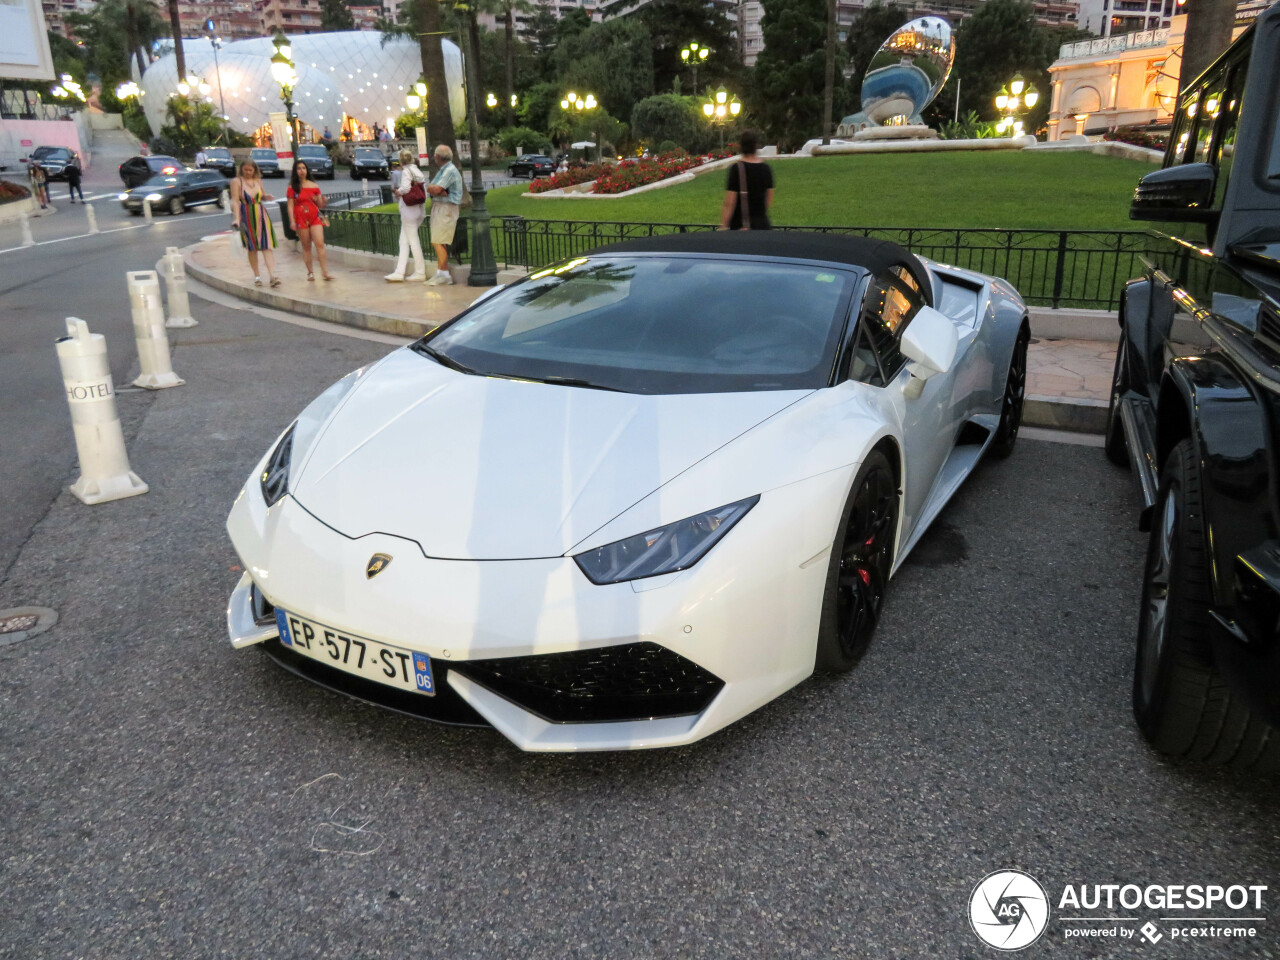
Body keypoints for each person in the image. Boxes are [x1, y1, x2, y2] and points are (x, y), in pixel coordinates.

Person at [230, 159, 280, 287]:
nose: (247, 172)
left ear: (254, 170)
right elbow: (235, 201)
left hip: (261, 214)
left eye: (250, 170)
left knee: (266, 245)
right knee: (251, 247)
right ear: (241, 169)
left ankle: (272, 276)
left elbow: (262, 195)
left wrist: (266, 196)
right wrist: (236, 218)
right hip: (246, 215)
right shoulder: (236, 182)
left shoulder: (258, 181)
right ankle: (257, 276)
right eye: (245, 170)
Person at [286, 160, 334, 281]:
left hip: (314, 216)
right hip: (300, 218)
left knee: (320, 244)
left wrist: (322, 200)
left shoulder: (314, 186)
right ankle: (310, 272)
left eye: (303, 168)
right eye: (299, 168)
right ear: (295, 171)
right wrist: (292, 221)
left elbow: (320, 204)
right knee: (306, 246)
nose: (302, 171)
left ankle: (325, 271)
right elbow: (290, 205)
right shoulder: (292, 187)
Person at [385, 148, 427, 282]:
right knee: (403, 241)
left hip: (409, 210)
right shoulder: (417, 171)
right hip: (418, 209)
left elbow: (406, 188)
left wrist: (398, 192)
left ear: (401, 161)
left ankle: (420, 272)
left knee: (413, 241)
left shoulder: (406, 172)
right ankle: (399, 271)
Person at [425, 144, 464, 285]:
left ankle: (444, 275)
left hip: (446, 208)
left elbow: (435, 188)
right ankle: (442, 272)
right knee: (438, 240)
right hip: (441, 206)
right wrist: (435, 189)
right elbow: (431, 188)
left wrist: (436, 189)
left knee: (438, 241)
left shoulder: (449, 171)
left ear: (437, 157)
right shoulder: (444, 170)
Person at [720, 129, 773, 231]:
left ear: (741, 146)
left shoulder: (737, 169)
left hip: (741, 225)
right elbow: (768, 199)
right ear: (756, 146)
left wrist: (724, 225)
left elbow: (730, 202)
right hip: (762, 225)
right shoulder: (766, 168)